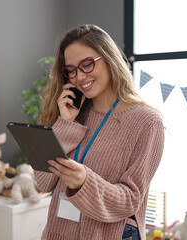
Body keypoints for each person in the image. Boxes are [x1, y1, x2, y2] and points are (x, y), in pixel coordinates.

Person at [34, 24, 165, 240]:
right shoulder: (75, 113)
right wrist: (65, 123)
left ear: (109, 58)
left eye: (87, 64)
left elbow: (131, 199)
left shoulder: (147, 122)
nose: (79, 77)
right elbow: (43, 182)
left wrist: (84, 181)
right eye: (71, 70)